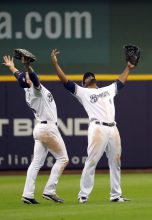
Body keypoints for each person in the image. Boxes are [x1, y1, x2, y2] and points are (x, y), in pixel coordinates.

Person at [51, 48, 135, 203]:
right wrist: (56, 64)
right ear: (84, 82)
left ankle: (116, 195)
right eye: (86, 77)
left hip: (113, 128)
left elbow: (121, 81)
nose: (89, 77)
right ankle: (83, 194)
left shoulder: (108, 90)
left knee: (116, 162)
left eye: (91, 76)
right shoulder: (83, 93)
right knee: (92, 161)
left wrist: (128, 68)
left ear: (95, 79)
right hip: (97, 128)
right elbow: (66, 82)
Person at [2, 53, 69, 204]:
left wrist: (13, 67)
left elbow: (20, 76)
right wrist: (26, 65)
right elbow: (33, 77)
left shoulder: (27, 90)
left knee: (36, 163)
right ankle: (49, 191)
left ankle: (27, 194)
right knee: (63, 159)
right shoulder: (35, 90)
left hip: (40, 129)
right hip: (48, 129)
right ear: (28, 82)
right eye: (27, 78)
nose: (27, 77)